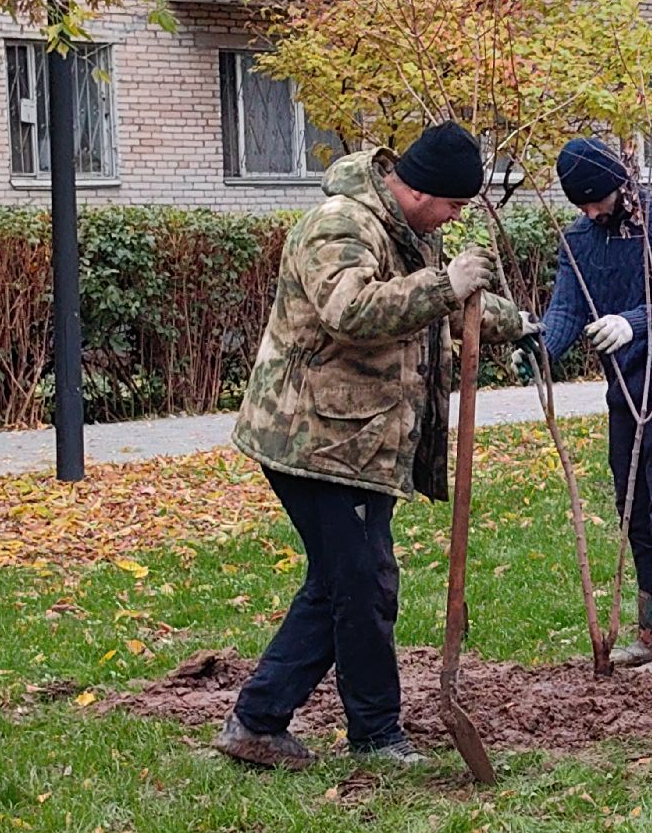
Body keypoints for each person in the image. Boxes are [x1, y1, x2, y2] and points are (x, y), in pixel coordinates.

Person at [219, 121, 539, 770]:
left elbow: (451, 308)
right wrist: (443, 284)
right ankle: (360, 732)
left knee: (347, 581)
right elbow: (352, 309)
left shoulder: (410, 233)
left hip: (358, 440)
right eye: (453, 204)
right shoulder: (340, 225)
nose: (454, 217)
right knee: (360, 584)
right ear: (420, 190)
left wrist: (518, 322)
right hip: (312, 438)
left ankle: (268, 721)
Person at [541, 138, 652, 674]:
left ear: (621, 183)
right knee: (634, 514)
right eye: (582, 205)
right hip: (625, 394)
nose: (591, 212)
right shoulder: (580, 240)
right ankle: (650, 632)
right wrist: (538, 348)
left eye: (596, 200)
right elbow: (565, 310)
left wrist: (631, 321)